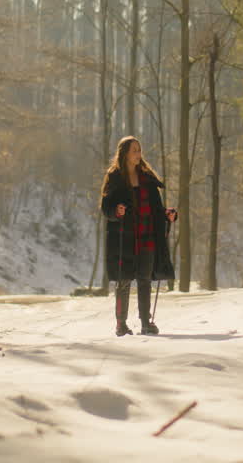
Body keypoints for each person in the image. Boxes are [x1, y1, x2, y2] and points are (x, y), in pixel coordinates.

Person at [100, 136, 177, 336]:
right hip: (124, 237)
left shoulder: (147, 178)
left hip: (147, 235)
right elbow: (105, 208)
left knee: (144, 279)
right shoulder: (115, 177)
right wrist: (117, 211)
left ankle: (145, 322)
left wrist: (167, 214)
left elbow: (156, 209)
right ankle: (121, 325)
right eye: (134, 150)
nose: (138, 154)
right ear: (125, 153)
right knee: (124, 280)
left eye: (139, 150)